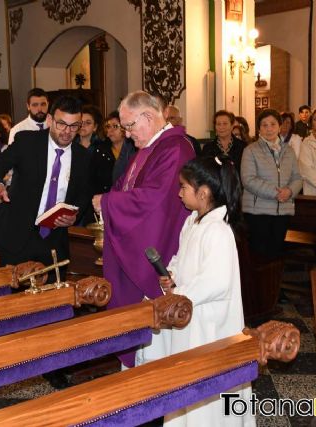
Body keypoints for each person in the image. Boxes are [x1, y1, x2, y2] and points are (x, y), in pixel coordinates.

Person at [91, 90, 195, 367]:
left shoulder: (175, 148)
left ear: (148, 117)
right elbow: (125, 185)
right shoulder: (149, 148)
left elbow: (156, 200)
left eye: (129, 126)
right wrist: (110, 199)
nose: (126, 134)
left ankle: (149, 386)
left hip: (158, 247)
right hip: (141, 243)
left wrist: (109, 202)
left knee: (154, 345)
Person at [157, 156, 254, 426]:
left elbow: (216, 281)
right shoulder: (192, 222)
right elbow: (180, 258)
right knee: (187, 380)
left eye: (183, 187)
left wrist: (181, 291)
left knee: (210, 386)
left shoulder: (219, 231)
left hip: (210, 325)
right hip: (190, 317)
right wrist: (170, 276)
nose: (179, 193)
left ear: (203, 192)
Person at [0, 95, 91, 268]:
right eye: (61, 123)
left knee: (52, 293)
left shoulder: (83, 156)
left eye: (74, 126)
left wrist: (74, 216)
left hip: (54, 241)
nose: (66, 131)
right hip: (16, 235)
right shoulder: (27, 141)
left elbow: (84, 194)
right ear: (50, 119)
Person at [241, 109, 302, 261]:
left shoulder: (289, 151)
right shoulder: (251, 150)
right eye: (264, 125)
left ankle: (273, 284)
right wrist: (276, 193)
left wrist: (289, 191)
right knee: (260, 256)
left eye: (273, 124)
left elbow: (298, 177)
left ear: (280, 126)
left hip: (283, 210)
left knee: (277, 254)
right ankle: (258, 285)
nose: (269, 129)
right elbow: (248, 179)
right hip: (258, 211)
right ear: (259, 129)